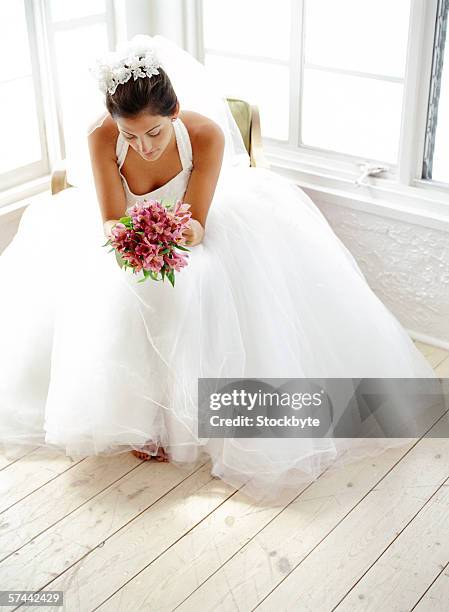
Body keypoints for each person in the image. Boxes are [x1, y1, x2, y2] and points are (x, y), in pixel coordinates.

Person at [0, 35, 440, 505]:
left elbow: (198, 225)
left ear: (173, 114)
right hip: (131, 236)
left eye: (154, 133)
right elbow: (110, 217)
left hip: (189, 232)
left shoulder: (205, 134)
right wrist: (133, 241)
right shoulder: (102, 136)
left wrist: (164, 236)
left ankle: (186, 420)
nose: (143, 147)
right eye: (130, 135)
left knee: (190, 285)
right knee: (110, 287)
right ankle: (136, 418)